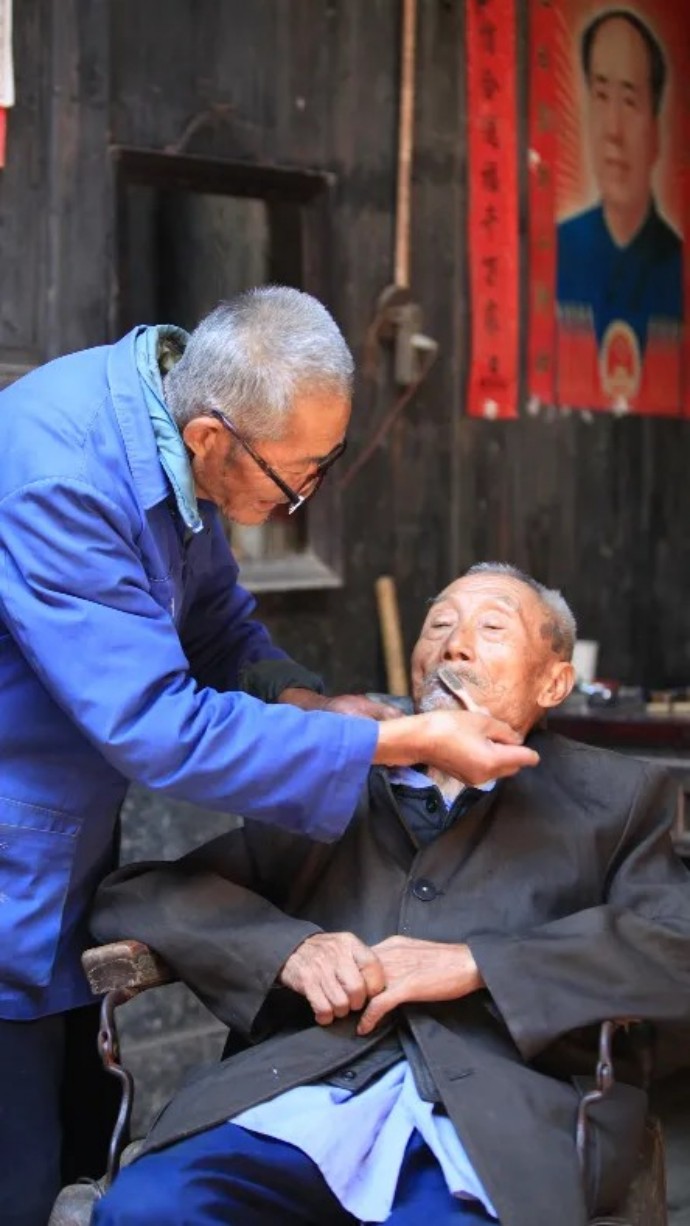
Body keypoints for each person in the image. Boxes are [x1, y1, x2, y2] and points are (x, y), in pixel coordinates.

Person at [0, 290, 537, 1226]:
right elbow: (160, 728)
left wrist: (307, 704)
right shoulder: (63, 478)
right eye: (296, 480)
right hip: (18, 841)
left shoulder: (176, 433)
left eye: (324, 467)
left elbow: (215, 624)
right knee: (24, 1168)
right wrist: (392, 740)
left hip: (62, 842)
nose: (304, 497)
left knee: (75, 1137)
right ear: (211, 438)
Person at [90, 563, 690, 1226]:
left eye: (492, 629)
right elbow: (140, 895)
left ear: (553, 681)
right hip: (304, 1095)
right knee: (148, 1210)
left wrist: (479, 964)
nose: (453, 646)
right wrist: (288, 949)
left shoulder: (612, 797)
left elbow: (676, 942)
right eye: (438, 627)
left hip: (495, 1123)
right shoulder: (338, 781)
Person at [557, 10, 683, 359]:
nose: (613, 130)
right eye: (600, 96)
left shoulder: (679, 266)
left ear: (656, 130)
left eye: (629, 101)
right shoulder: (558, 248)